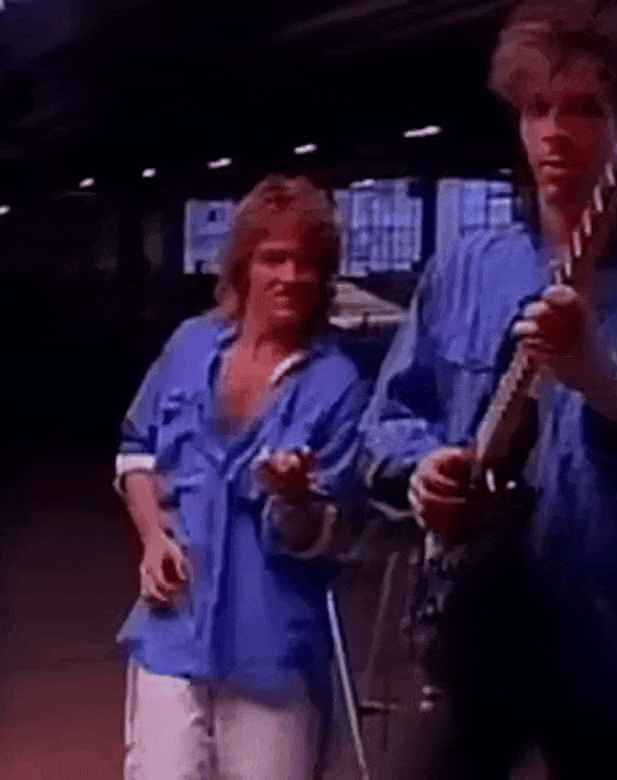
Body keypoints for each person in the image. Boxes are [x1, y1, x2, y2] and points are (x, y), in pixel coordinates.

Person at [357, 1, 617, 777]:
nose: (555, 133)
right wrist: (422, 470)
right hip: (475, 628)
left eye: (584, 109)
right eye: (537, 109)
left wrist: (605, 382)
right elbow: (392, 414)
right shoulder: (465, 271)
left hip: (612, 649)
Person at [115, 175, 369, 780]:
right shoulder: (190, 345)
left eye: (307, 263)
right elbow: (137, 453)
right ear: (242, 266)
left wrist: (295, 498)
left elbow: (331, 534)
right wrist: (153, 538)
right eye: (273, 259)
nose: (290, 277)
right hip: (174, 628)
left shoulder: (338, 384)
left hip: (272, 650)